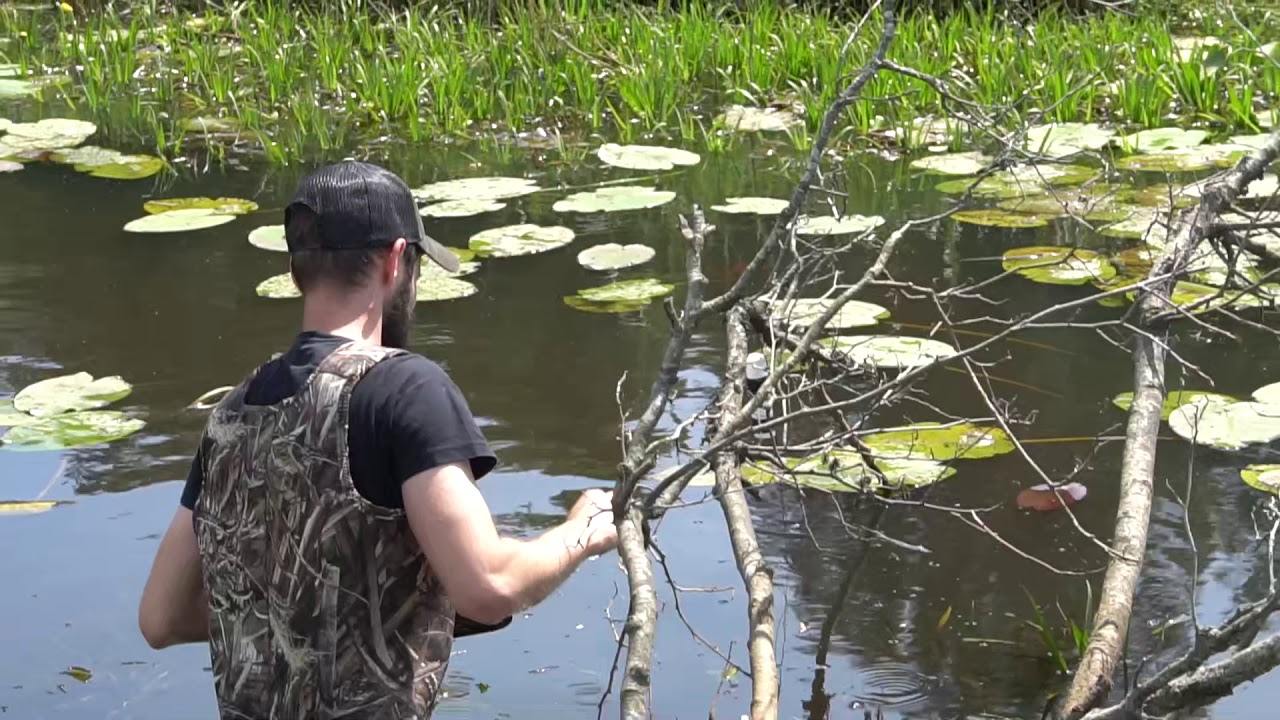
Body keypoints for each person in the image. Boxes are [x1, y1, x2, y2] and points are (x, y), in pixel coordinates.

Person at [137, 159, 619, 719]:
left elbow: (160, 617)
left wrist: (295, 618)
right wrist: (582, 531)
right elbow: (489, 586)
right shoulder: (405, 390)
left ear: (297, 271)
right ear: (395, 260)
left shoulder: (229, 415)